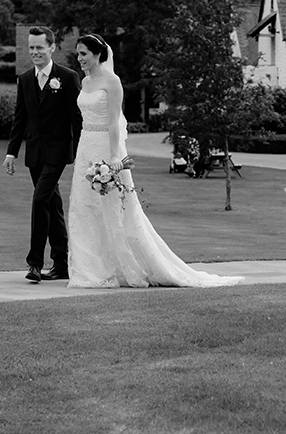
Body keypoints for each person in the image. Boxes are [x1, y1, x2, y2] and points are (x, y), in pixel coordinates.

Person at [66, 33, 243, 289]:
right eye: (78, 53)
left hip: (106, 147)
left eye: (83, 53)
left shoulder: (112, 81)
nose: (79, 58)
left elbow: (114, 121)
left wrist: (115, 157)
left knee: (116, 210)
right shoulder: (85, 81)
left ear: (97, 54)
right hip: (86, 147)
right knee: (84, 208)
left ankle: (130, 266)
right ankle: (91, 269)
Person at [4, 26, 83, 283]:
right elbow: (20, 118)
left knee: (39, 200)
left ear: (52, 47)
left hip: (59, 152)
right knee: (52, 205)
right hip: (35, 153)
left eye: (39, 47)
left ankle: (35, 263)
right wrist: (11, 153)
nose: (35, 52)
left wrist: (81, 152)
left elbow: (77, 119)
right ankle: (61, 263)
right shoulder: (25, 79)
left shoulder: (68, 77)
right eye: (32, 48)